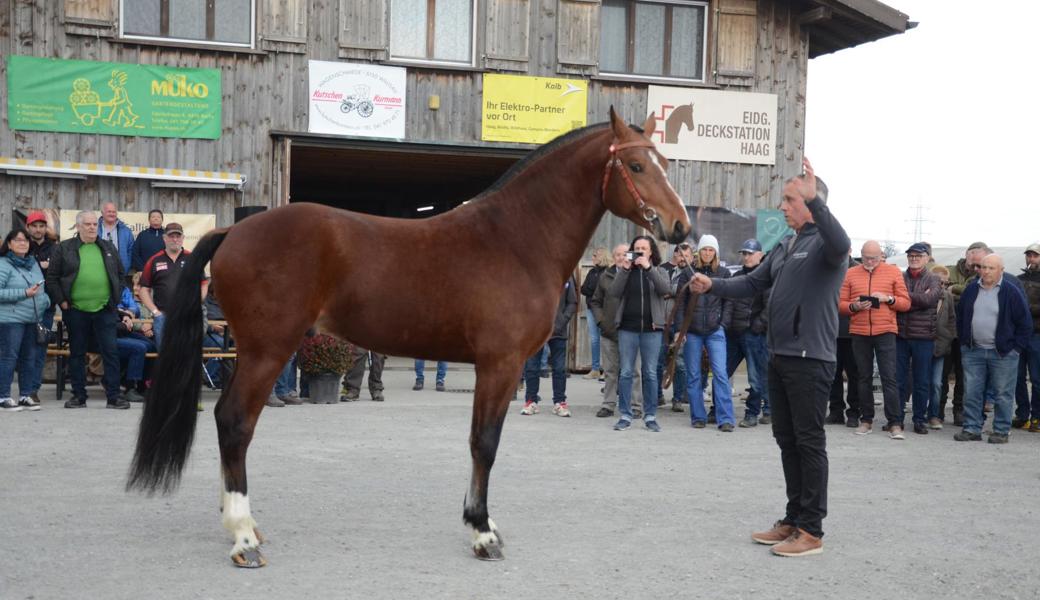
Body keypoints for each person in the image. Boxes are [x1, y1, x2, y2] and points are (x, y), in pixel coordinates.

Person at [688, 157, 850, 557]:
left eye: (790, 200)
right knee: (787, 440)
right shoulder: (787, 243)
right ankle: (794, 519)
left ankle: (812, 530)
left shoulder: (826, 246)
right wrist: (712, 285)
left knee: (809, 443)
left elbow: (843, 243)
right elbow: (752, 283)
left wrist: (819, 205)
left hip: (811, 357)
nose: (782, 206)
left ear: (810, 204)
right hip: (780, 355)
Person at [45, 210, 128, 409]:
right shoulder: (64, 248)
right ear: (79, 226)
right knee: (77, 353)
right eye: (88, 224)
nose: (92, 228)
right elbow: (52, 278)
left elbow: (120, 275)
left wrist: (114, 300)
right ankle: (78, 396)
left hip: (105, 310)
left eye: (94, 224)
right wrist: (63, 302)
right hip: (76, 310)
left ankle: (114, 397)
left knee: (111, 352)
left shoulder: (108, 247)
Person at [954, 254, 1033, 444]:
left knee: (1002, 394)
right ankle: (972, 428)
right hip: (974, 351)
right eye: (983, 267)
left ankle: (1001, 430)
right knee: (972, 392)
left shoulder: (1011, 292)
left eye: (991, 268)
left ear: (1001, 270)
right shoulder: (971, 289)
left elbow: (1025, 324)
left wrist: (1015, 349)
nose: (986, 271)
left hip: (1003, 353)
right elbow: (961, 316)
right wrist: (965, 343)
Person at [839, 240, 910, 439]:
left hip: (885, 330)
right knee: (863, 378)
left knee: (889, 378)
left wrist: (889, 299)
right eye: (866, 258)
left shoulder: (893, 272)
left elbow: (905, 303)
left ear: (881, 256)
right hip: (859, 331)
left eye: (874, 258)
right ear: (861, 255)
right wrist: (853, 307)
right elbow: (840, 304)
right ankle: (866, 420)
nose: (870, 262)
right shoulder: (850, 273)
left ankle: (895, 423)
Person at [607, 235, 671, 432]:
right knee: (626, 372)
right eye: (637, 248)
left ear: (651, 252)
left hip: (652, 330)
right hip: (628, 328)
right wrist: (625, 269)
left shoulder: (659, 270)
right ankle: (625, 414)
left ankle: (650, 415)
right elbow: (614, 292)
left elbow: (665, 290)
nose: (641, 251)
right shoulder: (626, 271)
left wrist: (649, 269)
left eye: (644, 248)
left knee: (650, 373)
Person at [676, 234, 735, 431]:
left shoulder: (724, 273)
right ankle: (698, 416)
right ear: (698, 252)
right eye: (704, 249)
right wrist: (680, 329)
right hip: (692, 331)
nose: (708, 253)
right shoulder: (687, 273)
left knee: (720, 373)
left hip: (714, 330)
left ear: (715, 252)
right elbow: (681, 303)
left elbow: (729, 301)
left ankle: (725, 418)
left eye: (711, 250)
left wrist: (723, 324)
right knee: (693, 375)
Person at [590, 244, 643, 419]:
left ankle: (635, 406)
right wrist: (601, 320)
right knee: (611, 371)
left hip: (632, 330)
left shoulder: (637, 274)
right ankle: (608, 405)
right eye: (618, 255)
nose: (621, 258)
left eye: (625, 254)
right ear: (613, 257)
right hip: (609, 332)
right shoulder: (606, 276)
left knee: (634, 371)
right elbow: (595, 301)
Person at [0, 228, 50, 411]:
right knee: (8, 358)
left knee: (29, 358)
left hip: (32, 318)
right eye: (18, 240)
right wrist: (23, 293)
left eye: (26, 240)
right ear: (10, 244)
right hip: (10, 320)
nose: (23, 243)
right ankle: (3, 397)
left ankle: (25, 395)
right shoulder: (3, 264)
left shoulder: (32, 263)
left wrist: (45, 300)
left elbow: (41, 287)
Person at [896, 243, 942, 435]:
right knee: (898, 380)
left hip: (924, 337)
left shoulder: (934, 279)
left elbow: (929, 301)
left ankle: (919, 419)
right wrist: (913, 300)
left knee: (922, 381)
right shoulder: (899, 277)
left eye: (918, 256)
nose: (913, 258)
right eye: (911, 256)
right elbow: (896, 301)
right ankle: (896, 419)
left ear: (927, 258)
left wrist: (905, 300)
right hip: (900, 335)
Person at [139, 222, 208, 349]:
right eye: (171, 236)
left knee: (187, 354)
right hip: (163, 316)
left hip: (187, 315)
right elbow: (144, 290)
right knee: (166, 356)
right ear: (164, 238)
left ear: (183, 238)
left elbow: (203, 285)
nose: (175, 239)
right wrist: (155, 312)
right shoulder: (154, 260)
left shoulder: (192, 258)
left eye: (178, 236)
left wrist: (196, 303)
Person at [943, 242, 990, 425]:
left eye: (980, 263)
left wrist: (952, 288)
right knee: (942, 374)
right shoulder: (948, 269)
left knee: (964, 376)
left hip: (968, 333)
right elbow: (939, 288)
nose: (976, 266)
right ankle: (937, 411)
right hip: (946, 331)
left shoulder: (983, 276)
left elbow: (977, 294)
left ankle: (959, 410)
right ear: (967, 256)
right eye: (973, 261)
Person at [726, 238, 771, 428]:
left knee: (756, 377)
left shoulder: (767, 279)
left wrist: (757, 326)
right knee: (722, 372)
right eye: (744, 253)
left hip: (754, 334)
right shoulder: (736, 277)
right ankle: (719, 409)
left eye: (750, 253)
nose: (746, 257)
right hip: (734, 333)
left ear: (760, 255)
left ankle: (753, 413)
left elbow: (771, 307)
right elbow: (728, 302)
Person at [520, 276, 578, 417]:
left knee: (559, 368)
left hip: (558, 330)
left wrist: (561, 321)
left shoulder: (566, 275)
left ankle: (560, 403)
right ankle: (531, 401)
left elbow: (572, 302)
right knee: (532, 367)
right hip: (535, 330)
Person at [26, 211, 56, 404]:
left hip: (46, 305)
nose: (38, 229)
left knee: (39, 347)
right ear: (28, 227)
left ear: (46, 228)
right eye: (34, 226)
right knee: (20, 348)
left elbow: (62, 271)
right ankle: (19, 388)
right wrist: (40, 265)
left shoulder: (55, 248)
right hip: (23, 305)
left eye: (41, 226)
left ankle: (32, 389)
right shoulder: (20, 245)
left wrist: (50, 268)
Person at [828, 254, 859, 427]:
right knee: (832, 374)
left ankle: (854, 412)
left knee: (855, 374)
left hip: (853, 330)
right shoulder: (828, 266)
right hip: (831, 330)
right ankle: (835, 411)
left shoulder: (857, 270)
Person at [1014, 243, 1040, 430]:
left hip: (1037, 334)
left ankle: (1037, 416)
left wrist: (1025, 309)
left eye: (1035, 255)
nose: (1031, 259)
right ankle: (1022, 415)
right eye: (1029, 255)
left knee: (1037, 378)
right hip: (1018, 334)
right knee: (1017, 377)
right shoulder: (1018, 279)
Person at [929, 265, 956, 429]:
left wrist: (949, 337)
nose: (943, 286)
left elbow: (952, 320)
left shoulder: (948, 297)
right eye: (939, 282)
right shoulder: (923, 294)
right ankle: (920, 414)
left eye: (945, 283)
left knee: (937, 383)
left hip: (941, 346)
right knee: (921, 382)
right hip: (923, 344)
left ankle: (934, 414)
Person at [114, 284, 149, 403]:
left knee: (151, 346)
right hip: (108, 334)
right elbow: (106, 317)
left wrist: (127, 315)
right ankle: (130, 388)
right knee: (139, 348)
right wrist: (124, 320)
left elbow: (134, 309)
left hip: (122, 328)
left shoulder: (121, 289)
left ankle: (142, 385)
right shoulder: (100, 293)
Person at [580, 247, 609, 380]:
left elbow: (603, 291)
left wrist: (593, 289)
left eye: (594, 255)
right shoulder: (592, 272)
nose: (592, 258)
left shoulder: (608, 272)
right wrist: (594, 289)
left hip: (604, 310)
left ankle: (606, 369)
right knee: (594, 339)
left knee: (605, 339)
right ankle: (595, 369)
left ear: (601, 256)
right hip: (591, 308)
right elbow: (583, 289)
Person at [98, 201, 135, 276]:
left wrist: (126, 267)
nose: (112, 214)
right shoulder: (95, 229)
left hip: (119, 272)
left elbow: (131, 250)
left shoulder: (126, 231)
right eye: (109, 211)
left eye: (114, 212)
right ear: (102, 212)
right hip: (98, 271)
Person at [131, 209, 165, 274]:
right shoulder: (142, 235)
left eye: (158, 217)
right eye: (153, 217)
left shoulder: (167, 235)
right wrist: (142, 269)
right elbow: (135, 253)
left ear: (162, 220)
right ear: (149, 220)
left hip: (163, 273)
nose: (156, 218)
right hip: (144, 272)